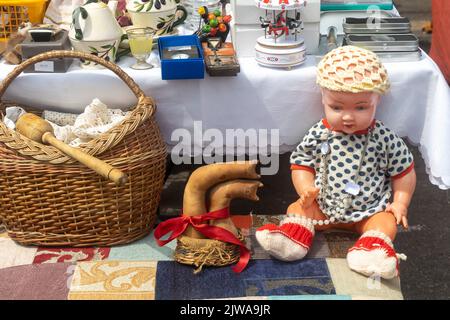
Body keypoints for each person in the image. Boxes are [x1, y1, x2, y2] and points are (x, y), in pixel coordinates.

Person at [256, 45, 416, 279]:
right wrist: (305, 190)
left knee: (386, 222)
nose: (348, 116)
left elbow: (404, 172)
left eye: (361, 107)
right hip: (324, 206)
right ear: (323, 98)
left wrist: (400, 203)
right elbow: (301, 163)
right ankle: (292, 238)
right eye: (336, 107)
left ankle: (371, 249)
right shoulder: (320, 133)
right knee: (297, 208)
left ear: (377, 100)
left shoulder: (383, 138)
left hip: (368, 211)